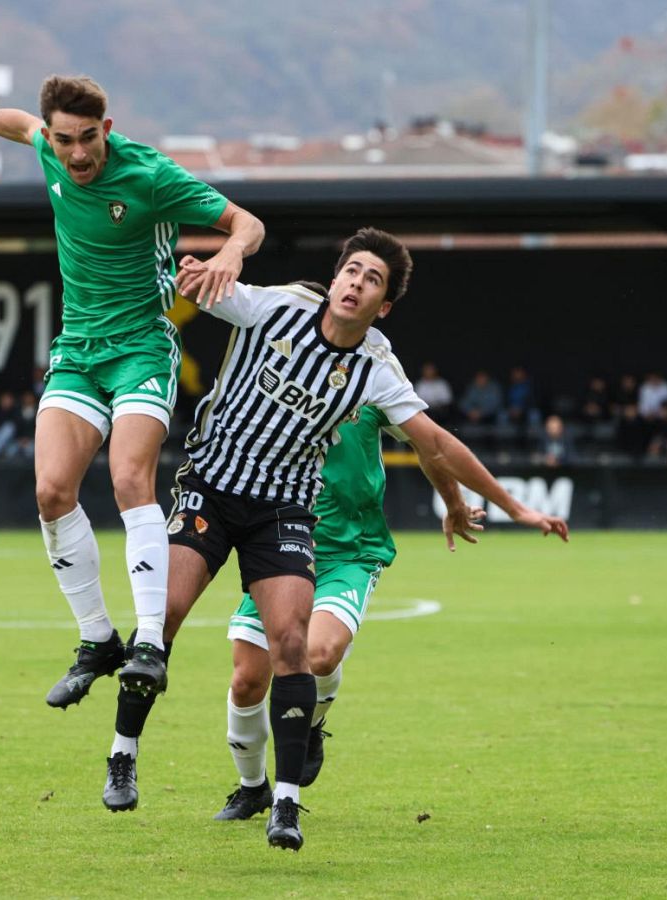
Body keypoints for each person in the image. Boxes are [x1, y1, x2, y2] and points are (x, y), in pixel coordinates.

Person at [102, 228, 568, 852]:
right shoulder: (279, 308)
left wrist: (505, 506)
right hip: (219, 494)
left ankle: (294, 779)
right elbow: (207, 292)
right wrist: (193, 266)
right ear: (336, 276)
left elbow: (436, 445)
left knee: (309, 652)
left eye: (372, 279)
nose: (356, 283)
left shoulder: (379, 374)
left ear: (384, 306)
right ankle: (179, 770)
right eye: (351, 271)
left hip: (323, 533)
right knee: (214, 656)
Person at [0, 74, 265, 707]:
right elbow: (19, 122)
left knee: (130, 478)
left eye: (87, 139)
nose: (76, 154)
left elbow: (247, 223)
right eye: (63, 141)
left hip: (141, 346)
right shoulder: (47, 146)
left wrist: (229, 256)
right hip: (78, 352)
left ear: (106, 130)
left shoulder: (150, 176)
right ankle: (97, 641)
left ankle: (150, 647)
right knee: (51, 490)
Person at [214, 396, 486, 823]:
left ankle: (310, 725)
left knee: (319, 652)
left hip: (349, 552)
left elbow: (428, 443)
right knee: (247, 680)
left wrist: (454, 502)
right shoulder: (273, 374)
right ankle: (252, 790)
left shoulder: (374, 376)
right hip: (279, 547)